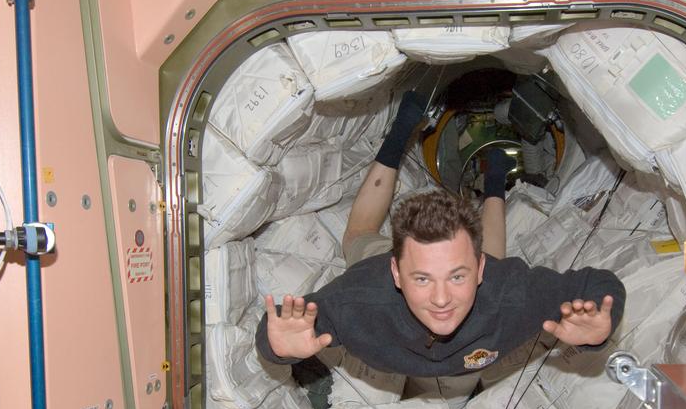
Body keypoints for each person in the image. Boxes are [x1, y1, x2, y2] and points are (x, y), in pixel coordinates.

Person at [255, 91, 626, 378]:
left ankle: (495, 174)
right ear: (397, 273)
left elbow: (601, 285)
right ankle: (402, 133)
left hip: (492, 282)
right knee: (358, 236)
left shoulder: (511, 292)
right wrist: (278, 349)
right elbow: (285, 327)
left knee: (497, 264)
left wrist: (597, 330)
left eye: (458, 276)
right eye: (421, 279)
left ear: (479, 272)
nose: (441, 299)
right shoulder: (358, 301)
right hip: (378, 269)